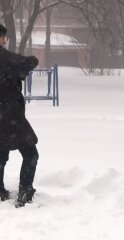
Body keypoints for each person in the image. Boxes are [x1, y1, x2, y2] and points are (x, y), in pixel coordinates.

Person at [0, 23, 39, 207]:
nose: (5, 40)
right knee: (30, 153)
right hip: (10, 116)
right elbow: (29, 62)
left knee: (0, 153)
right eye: (3, 37)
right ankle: (25, 191)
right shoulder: (5, 58)